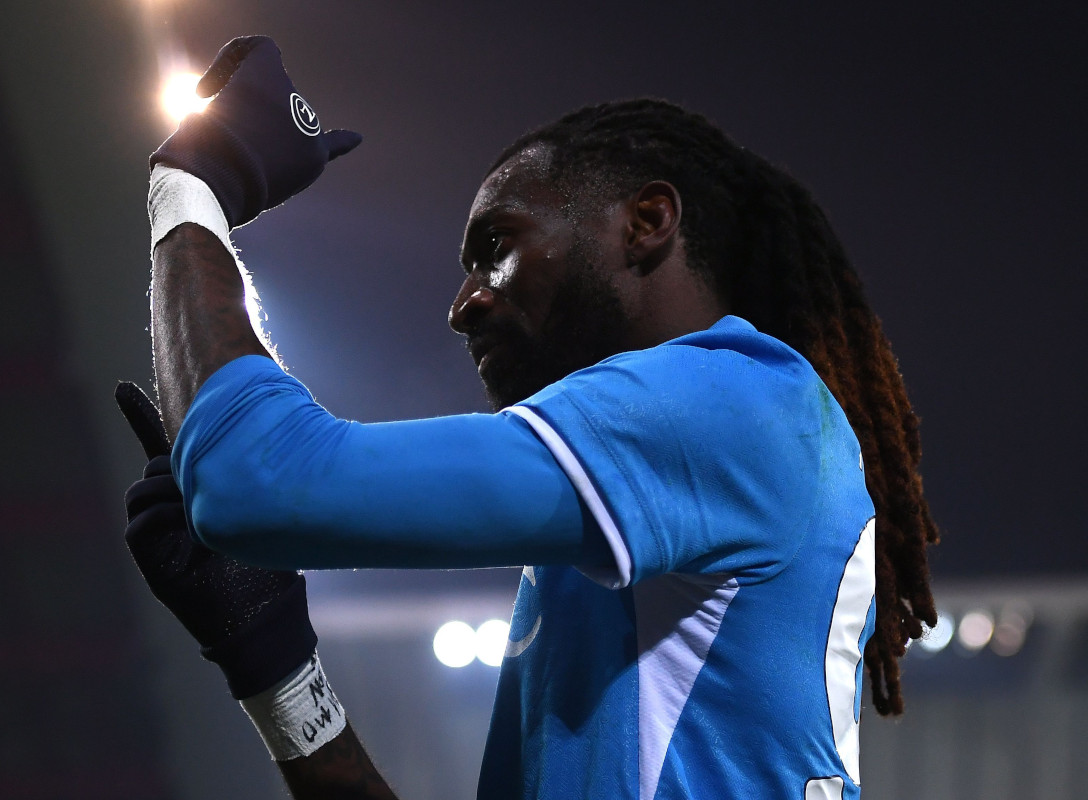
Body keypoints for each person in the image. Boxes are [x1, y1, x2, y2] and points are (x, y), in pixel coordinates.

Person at [119, 35, 939, 799]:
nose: (464, 304)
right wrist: (278, 671)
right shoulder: (624, 532)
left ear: (647, 224)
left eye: (497, 246)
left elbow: (253, 477)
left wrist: (193, 186)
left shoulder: (738, 401)